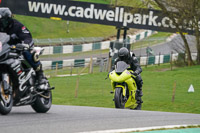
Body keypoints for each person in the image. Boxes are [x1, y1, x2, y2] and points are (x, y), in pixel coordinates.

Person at [0, 7, 47, 90]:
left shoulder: (17, 26)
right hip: (6, 49)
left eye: (2, 21)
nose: (1, 23)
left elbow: (27, 36)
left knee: (28, 53)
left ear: (8, 19)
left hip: (21, 47)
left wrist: (25, 44)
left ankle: (40, 76)